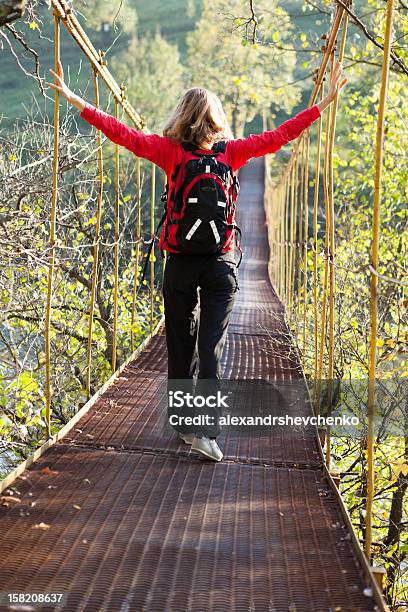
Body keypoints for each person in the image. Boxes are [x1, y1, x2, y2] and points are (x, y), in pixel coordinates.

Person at [48, 59, 347, 461]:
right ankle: (206, 433)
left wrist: (76, 100)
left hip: (180, 265)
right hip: (222, 263)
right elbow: (281, 135)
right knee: (211, 349)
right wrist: (323, 103)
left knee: (179, 346)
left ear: (182, 116)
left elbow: (122, 134)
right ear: (216, 119)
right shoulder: (232, 153)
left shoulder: (169, 152)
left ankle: (184, 424)